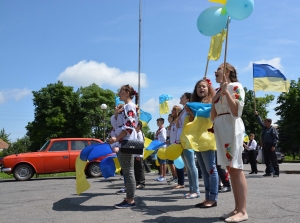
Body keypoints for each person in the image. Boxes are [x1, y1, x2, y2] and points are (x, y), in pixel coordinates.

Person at [211, 63, 248, 222]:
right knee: (230, 169)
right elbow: (213, 116)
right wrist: (214, 99)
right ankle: (236, 208)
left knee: (236, 167)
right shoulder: (219, 91)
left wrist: (226, 92)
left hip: (232, 127)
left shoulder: (236, 86)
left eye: (218, 69)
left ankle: (243, 210)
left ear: (228, 71)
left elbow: (236, 111)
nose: (215, 72)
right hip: (221, 127)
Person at [183, 79, 219, 208]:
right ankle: (207, 197)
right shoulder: (193, 104)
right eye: (199, 87)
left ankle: (213, 198)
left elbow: (214, 111)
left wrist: (209, 84)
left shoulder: (213, 102)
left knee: (211, 169)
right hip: (197, 140)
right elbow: (190, 113)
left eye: (204, 86)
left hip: (208, 138)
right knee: (204, 171)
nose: (201, 89)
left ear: (209, 88)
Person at [109, 84, 139, 209]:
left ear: (127, 93)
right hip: (125, 141)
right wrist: (116, 114)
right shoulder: (126, 107)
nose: (119, 93)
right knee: (127, 172)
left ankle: (130, 199)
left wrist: (116, 138)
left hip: (126, 141)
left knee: (128, 172)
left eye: (121, 91)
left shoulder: (129, 106)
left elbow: (129, 126)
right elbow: (118, 125)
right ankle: (129, 198)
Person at [177, 93, 200, 199]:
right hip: (182, 140)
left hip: (188, 140)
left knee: (191, 166)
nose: (180, 98)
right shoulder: (183, 111)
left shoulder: (189, 108)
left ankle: (196, 190)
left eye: (182, 97)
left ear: (187, 99)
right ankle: (191, 189)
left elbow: (195, 119)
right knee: (188, 167)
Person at [254, 111, 279, 177]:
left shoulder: (272, 129)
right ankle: (268, 172)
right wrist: (257, 115)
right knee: (266, 160)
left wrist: (273, 145)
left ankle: (276, 172)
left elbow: (275, 138)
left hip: (270, 146)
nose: (264, 123)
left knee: (273, 160)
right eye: (264, 122)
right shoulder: (264, 128)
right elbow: (260, 122)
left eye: (266, 122)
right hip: (265, 146)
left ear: (270, 123)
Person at [155, 118, 167, 182]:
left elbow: (164, 139)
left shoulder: (163, 129)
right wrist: (157, 134)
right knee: (160, 162)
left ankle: (164, 176)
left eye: (157, 121)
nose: (157, 123)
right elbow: (155, 137)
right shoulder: (158, 130)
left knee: (164, 162)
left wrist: (159, 134)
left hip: (163, 147)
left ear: (161, 122)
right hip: (158, 147)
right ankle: (161, 175)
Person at [134, 121, 146, 189]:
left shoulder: (140, 134)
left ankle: (142, 183)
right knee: (137, 169)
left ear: (139, 126)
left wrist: (138, 155)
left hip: (138, 154)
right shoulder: (137, 133)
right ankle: (138, 182)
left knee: (140, 169)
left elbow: (140, 145)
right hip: (136, 154)